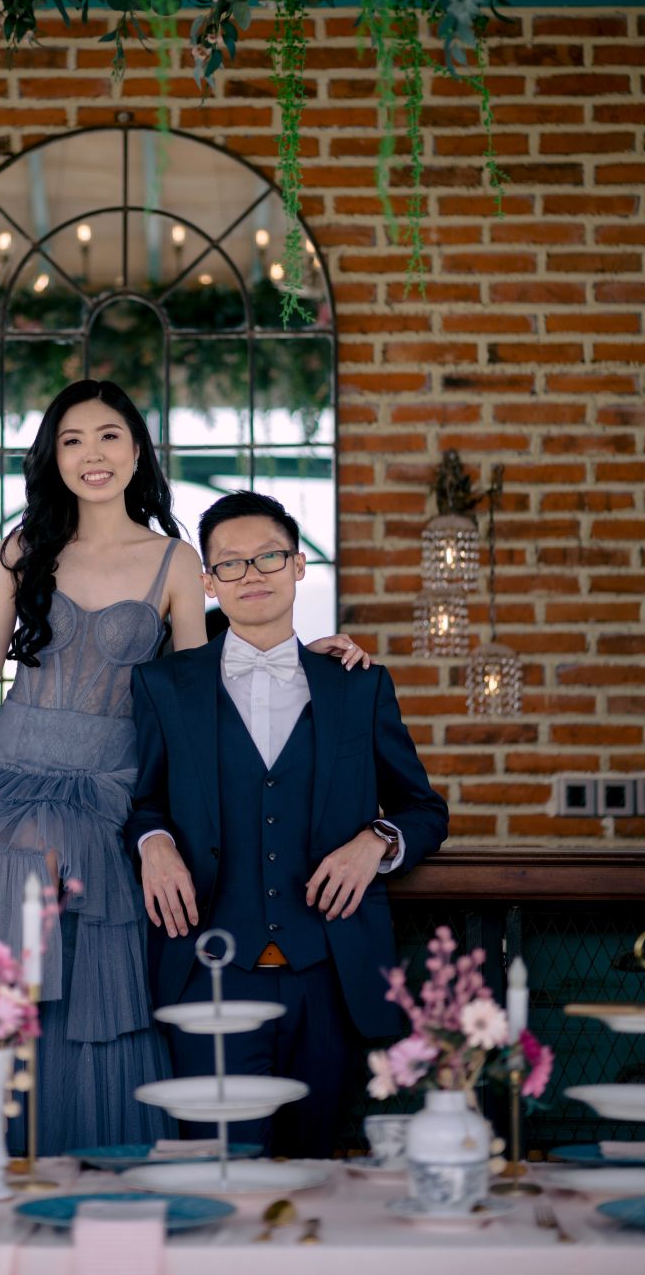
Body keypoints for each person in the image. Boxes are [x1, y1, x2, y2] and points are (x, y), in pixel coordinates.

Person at [0, 383, 368, 1154]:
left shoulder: (175, 560)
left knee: (88, 973)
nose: (92, 454)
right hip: (7, 771)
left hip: (106, 781)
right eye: (72, 439)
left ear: (137, 450)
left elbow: (198, 686)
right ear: (53, 457)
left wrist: (295, 654)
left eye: (109, 435)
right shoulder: (24, 548)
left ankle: (79, 1156)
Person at [126, 490, 449, 1158]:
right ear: (208, 581)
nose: (252, 574)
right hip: (209, 971)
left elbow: (423, 809)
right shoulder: (162, 686)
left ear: (299, 565)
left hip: (329, 973)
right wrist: (153, 844)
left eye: (269, 556)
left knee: (313, 1172)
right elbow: (141, 800)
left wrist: (376, 842)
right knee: (218, 1167)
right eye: (231, 563)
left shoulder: (357, 684)